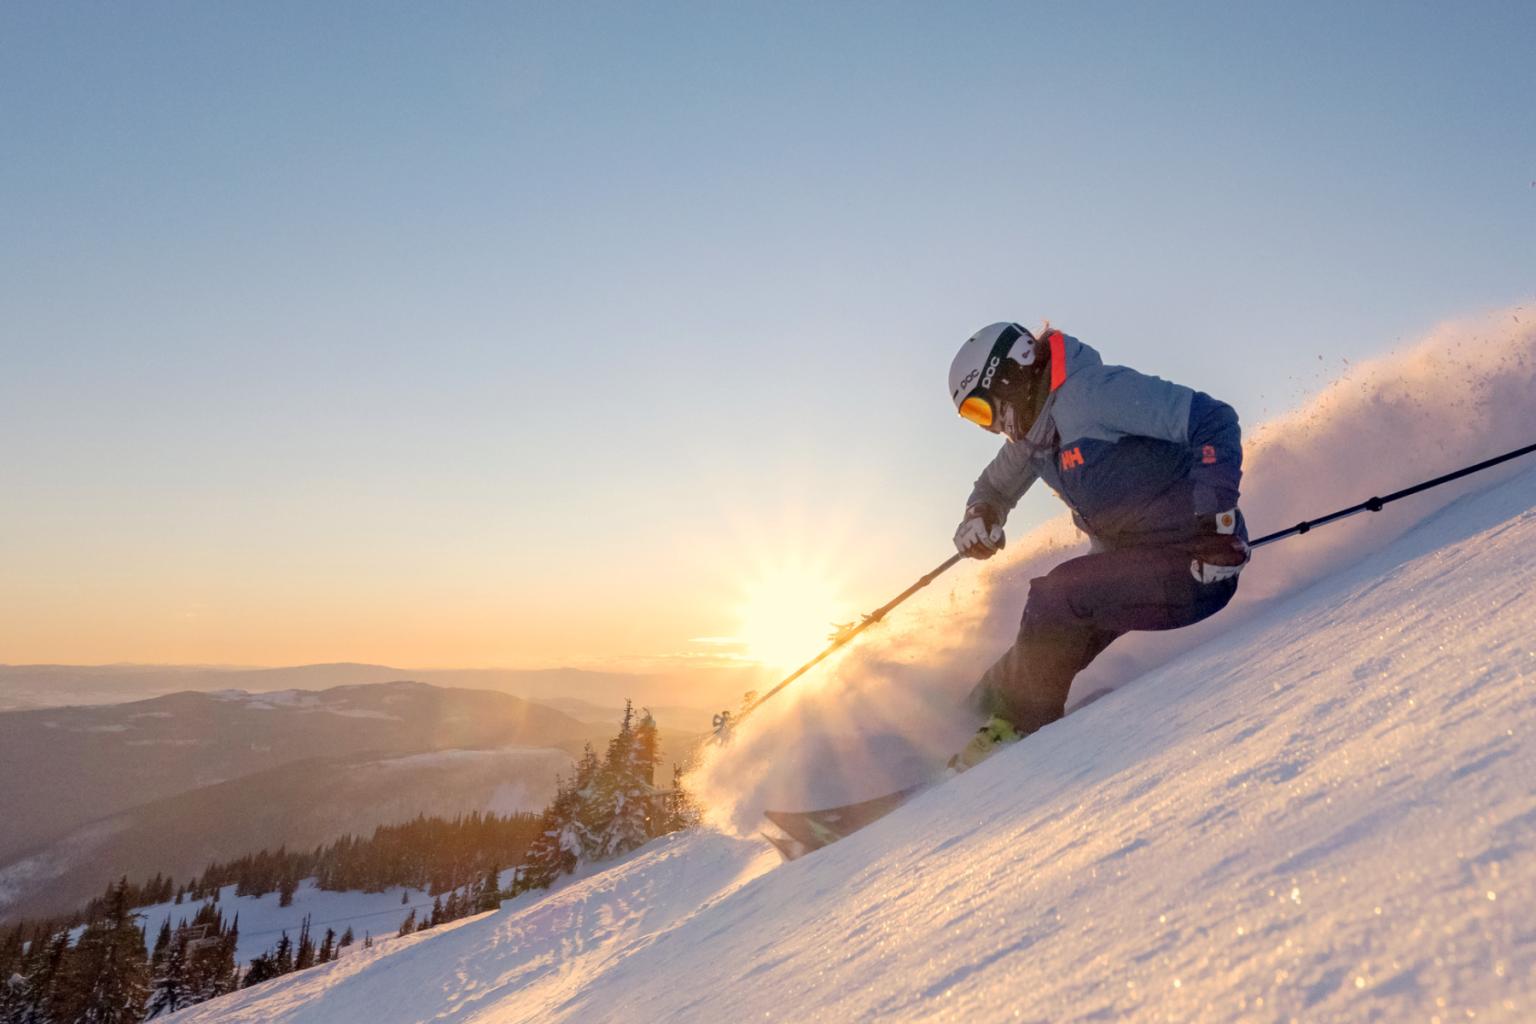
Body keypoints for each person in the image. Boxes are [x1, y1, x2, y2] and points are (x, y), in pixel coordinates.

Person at [947, 321, 1250, 769]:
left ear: (1010, 373)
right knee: (1033, 651)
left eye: (981, 410)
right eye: (974, 419)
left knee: (1056, 597)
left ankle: (1016, 732)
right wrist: (980, 517)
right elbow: (992, 487)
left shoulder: (1093, 394)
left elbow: (1213, 419)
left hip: (1197, 565)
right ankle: (955, 729)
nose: (990, 427)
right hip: (1135, 569)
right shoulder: (1035, 437)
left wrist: (1216, 522)